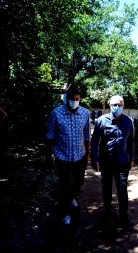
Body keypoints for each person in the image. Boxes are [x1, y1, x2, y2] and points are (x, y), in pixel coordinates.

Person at [46, 85, 90, 225]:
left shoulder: (85, 113)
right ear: (67, 98)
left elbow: (87, 136)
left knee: (79, 181)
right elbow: (50, 136)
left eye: (77, 99)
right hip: (62, 156)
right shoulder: (56, 113)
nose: (74, 101)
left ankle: (69, 199)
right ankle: (64, 211)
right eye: (72, 98)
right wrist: (48, 157)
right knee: (64, 184)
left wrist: (87, 153)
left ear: (80, 99)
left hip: (79, 155)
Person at [90, 95, 134, 229]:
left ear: (123, 106)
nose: (117, 107)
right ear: (110, 106)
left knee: (122, 189)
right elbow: (95, 141)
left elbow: (131, 142)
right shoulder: (101, 121)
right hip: (106, 161)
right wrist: (95, 158)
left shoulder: (128, 122)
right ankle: (107, 213)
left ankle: (124, 218)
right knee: (107, 188)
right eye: (114, 105)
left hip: (122, 162)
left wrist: (131, 158)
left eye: (119, 105)